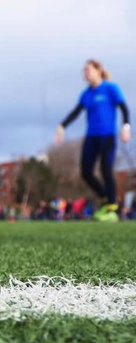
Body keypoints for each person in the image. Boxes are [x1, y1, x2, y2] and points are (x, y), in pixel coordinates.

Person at [56, 59, 131, 222]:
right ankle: (105, 198)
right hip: (91, 137)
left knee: (106, 169)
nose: (86, 73)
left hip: (107, 136)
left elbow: (124, 107)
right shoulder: (86, 94)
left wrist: (126, 126)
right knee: (86, 171)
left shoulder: (110, 88)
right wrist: (62, 126)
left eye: (88, 70)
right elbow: (76, 112)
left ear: (99, 70)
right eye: (84, 71)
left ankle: (113, 209)